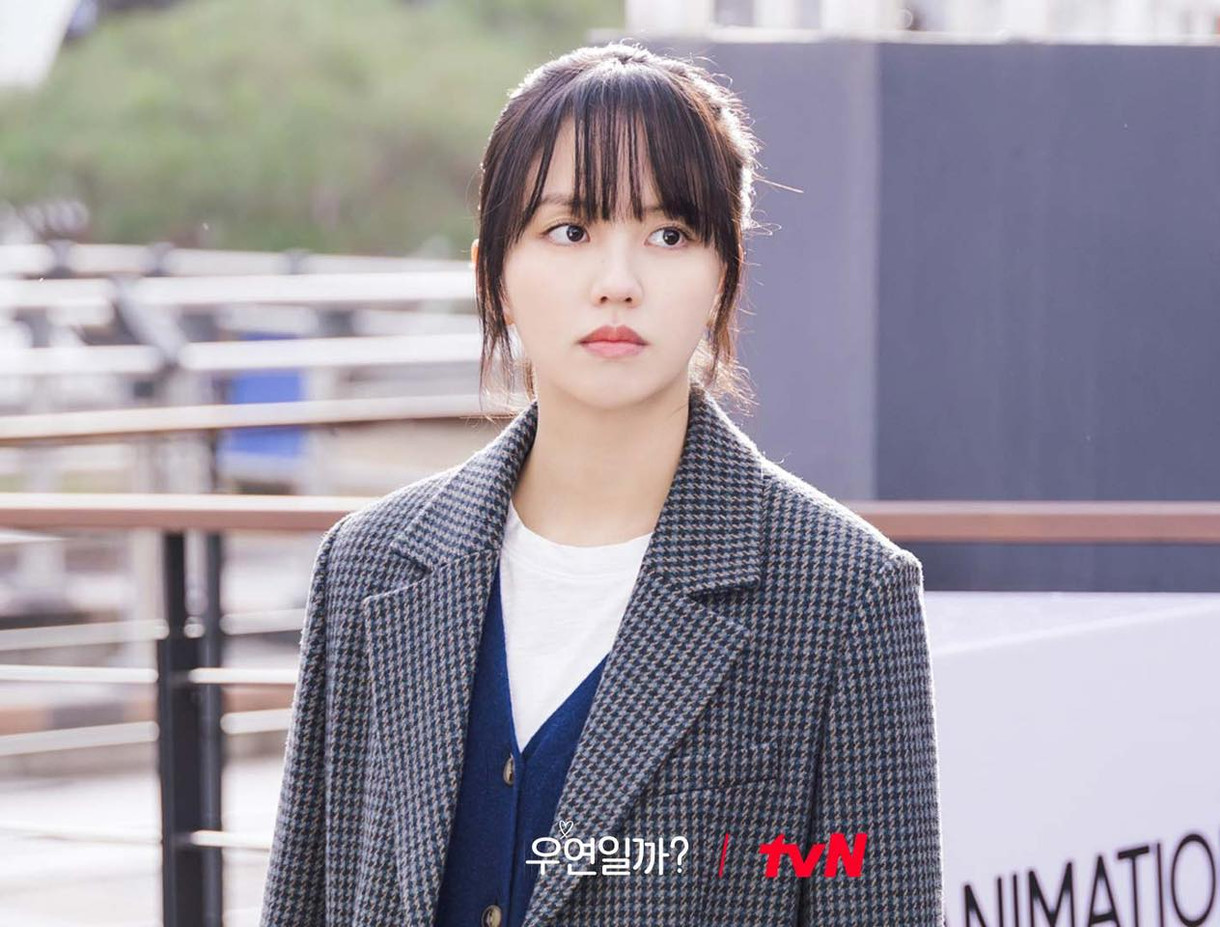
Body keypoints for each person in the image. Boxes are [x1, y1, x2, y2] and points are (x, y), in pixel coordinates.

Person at [260, 41, 943, 927]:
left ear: (724, 275)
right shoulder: (369, 564)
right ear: (494, 275)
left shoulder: (844, 593)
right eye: (570, 231)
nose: (617, 283)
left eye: (669, 235)